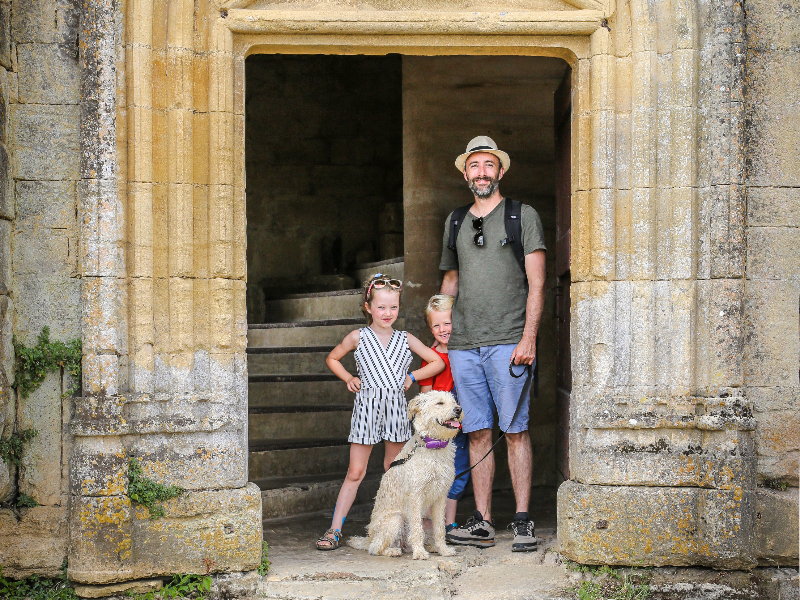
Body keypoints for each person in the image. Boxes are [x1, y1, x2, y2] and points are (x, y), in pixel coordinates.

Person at [440, 136, 546, 552]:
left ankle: (522, 519)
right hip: (464, 345)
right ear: (465, 173)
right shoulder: (455, 221)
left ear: (500, 171)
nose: (481, 173)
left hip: (509, 342)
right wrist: (442, 324)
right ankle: (483, 521)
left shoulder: (523, 216)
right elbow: (450, 281)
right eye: (474, 166)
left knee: (515, 430)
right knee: (477, 432)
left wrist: (529, 338)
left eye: (488, 165)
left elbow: (537, 283)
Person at [316, 273, 446, 551]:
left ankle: (404, 530)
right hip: (366, 408)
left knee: (395, 469)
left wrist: (413, 375)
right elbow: (332, 357)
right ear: (368, 307)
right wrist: (348, 378)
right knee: (355, 471)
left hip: (396, 410)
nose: (388, 313)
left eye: (394, 307)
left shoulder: (405, 338)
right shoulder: (357, 336)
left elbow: (437, 362)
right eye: (381, 307)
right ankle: (335, 529)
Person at [417, 294, 470, 534]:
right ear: (430, 327)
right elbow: (426, 397)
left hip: (464, 420)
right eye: (436, 325)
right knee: (434, 473)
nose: (442, 329)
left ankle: (449, 523)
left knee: (458, 471)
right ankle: (431, 525)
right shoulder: (430, 357)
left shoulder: (466, 352)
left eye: (447, 322)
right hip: (441, 426)